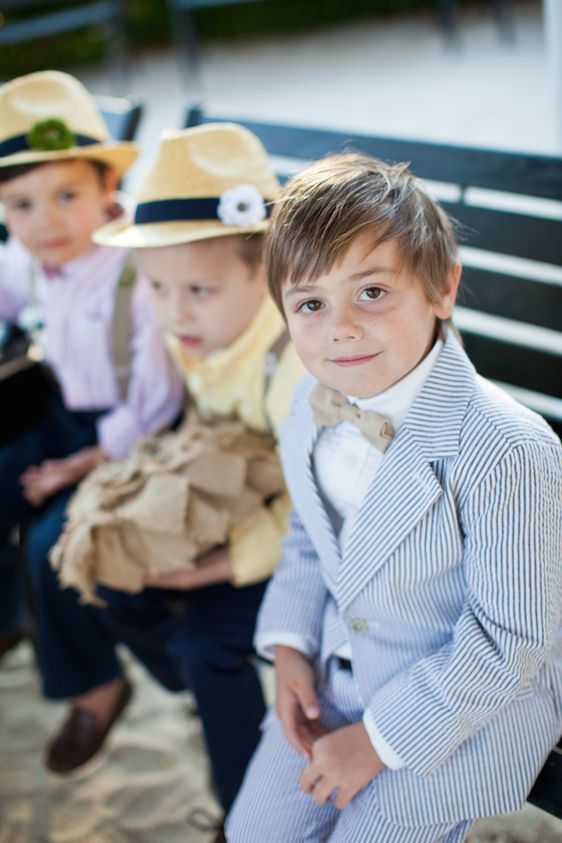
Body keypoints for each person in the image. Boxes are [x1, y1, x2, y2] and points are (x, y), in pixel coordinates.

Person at [226, 153, 562, 843]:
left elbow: (512, 638)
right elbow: (309, 536)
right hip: (334, 682)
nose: (339, 327)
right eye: (310, 303)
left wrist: (376, 741)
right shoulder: (310, 404)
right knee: (254, 830)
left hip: (456, 714)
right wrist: (291, 646)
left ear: (443, 288)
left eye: (371, 292)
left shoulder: (508, 450)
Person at [91, 123, 304, 838]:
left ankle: (246, 810)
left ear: (267, 269)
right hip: (235, 499)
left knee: (207, 646)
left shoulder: (294, 360)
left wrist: (218, 564)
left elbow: (323, 510)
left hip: (305, 545)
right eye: (156, 288)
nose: (174, 312)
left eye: (198, 289)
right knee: (111, 579)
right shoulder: (198, 329)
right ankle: (206, 693)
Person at [0, 71, 183, 774]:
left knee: (58, 541)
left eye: (67, 195)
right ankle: (9, 618)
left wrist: (80, 467)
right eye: (21, 205)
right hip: (61, 411)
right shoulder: (33, 254)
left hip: (129, 433)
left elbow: (158, 399)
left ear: (109, 186)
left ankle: (97, 684)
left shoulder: (137, 270)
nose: (46, 221)